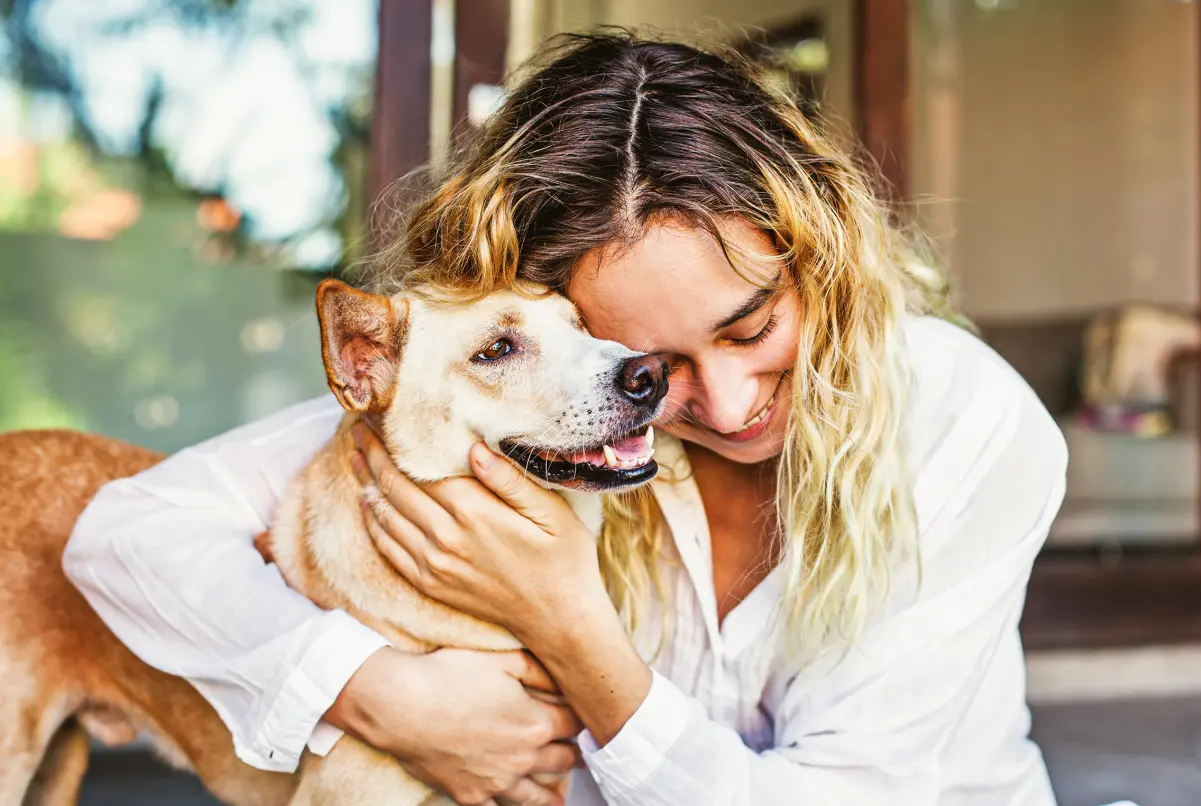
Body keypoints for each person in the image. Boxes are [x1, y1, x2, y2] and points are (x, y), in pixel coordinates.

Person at [63, 31, 1068, 806]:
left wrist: (568, 621)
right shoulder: (542, 399)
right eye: (648, 369)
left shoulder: (965, 419)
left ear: (819, 255)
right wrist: (375, 692)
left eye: (753, 326)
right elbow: (124, 534)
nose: (726, 406)